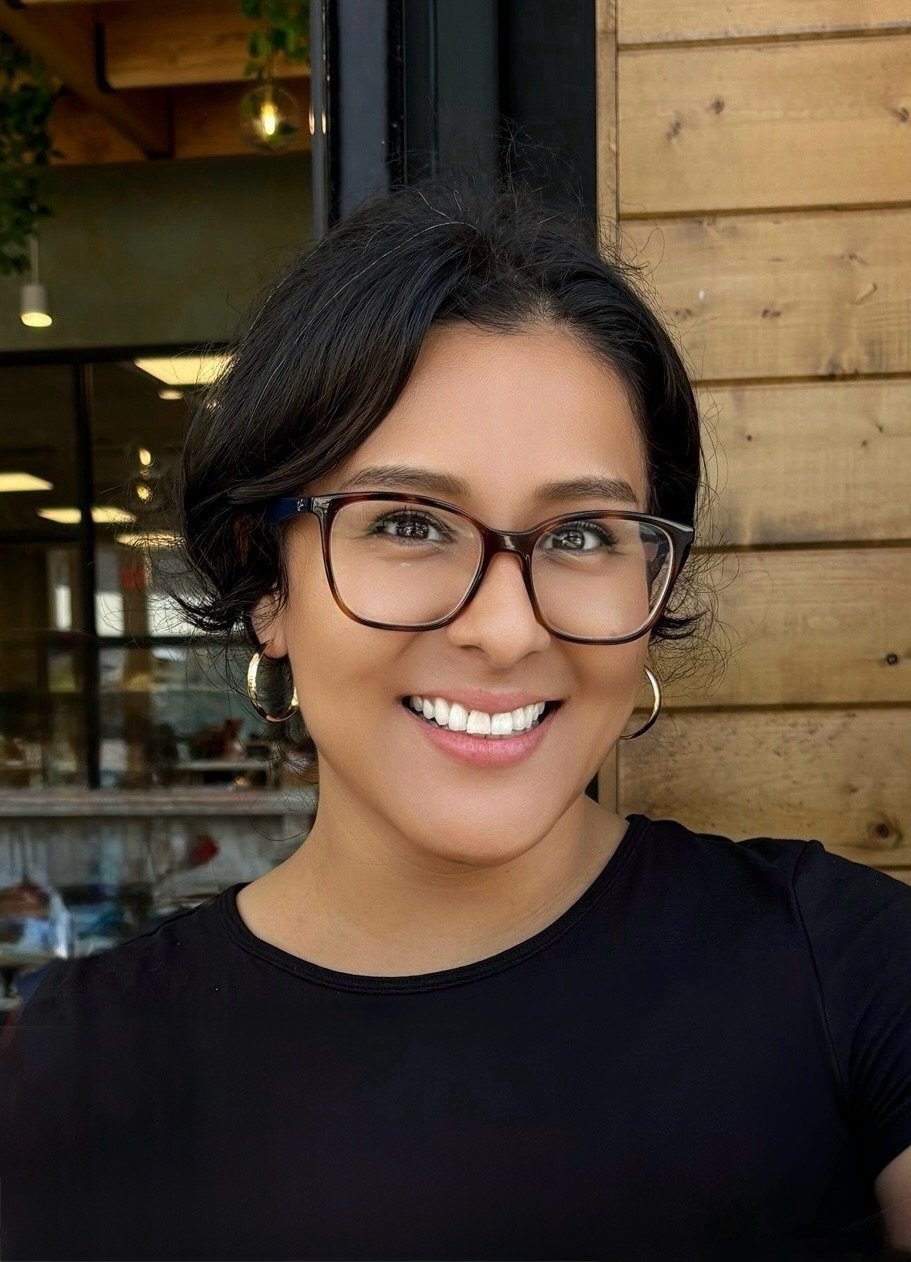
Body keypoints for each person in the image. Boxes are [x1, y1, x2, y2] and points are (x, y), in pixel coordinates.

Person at [1, 178, 910, 1262]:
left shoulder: (846, 966)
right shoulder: (76, 1065)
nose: (505, 628)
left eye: (581, 535)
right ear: (265, 582)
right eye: (406, 523)